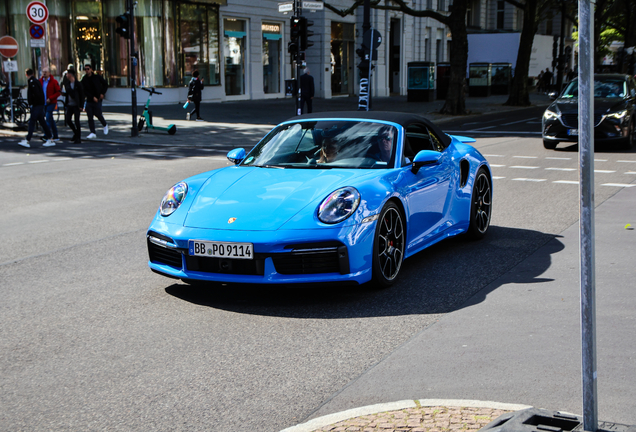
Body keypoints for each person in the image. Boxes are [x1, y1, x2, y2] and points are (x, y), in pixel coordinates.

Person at [18, 69, 54, 148]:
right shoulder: (35, 81)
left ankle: (27, 140)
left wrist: (32, 103)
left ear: (26, 74)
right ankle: (50, 138)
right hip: (39, 105)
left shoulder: (32, 82)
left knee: (32, 122)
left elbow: (36, 94)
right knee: (42, 122)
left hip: (36, 105)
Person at [81, 64, 109, 139]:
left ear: (91, 69)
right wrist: (91, 97)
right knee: (90, 116)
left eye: (88, 69)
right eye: (85, 69)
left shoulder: (97, 77)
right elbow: (84, 90)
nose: (86, 71)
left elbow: (105, 84)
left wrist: (102, 93)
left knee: (98, 114)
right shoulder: (84, 79)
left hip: (98, 98)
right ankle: (92, 132)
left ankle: (105, 124)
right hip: (90, 100)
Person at [61, 69, 85, 144]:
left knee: (77, 121)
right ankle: (76, 133)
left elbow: (82, 95)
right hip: (69, 105)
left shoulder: (78, 84)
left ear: (70, 75)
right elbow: (68, 93)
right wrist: (63, 94)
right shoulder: (67, 83)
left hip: (76, 105)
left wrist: (81, 105)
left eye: (67, 74)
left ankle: (78, 138)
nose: (66, 75)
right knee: (68, 120)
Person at [39, 67, 62, 142]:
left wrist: (51, 98)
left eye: (46, 71)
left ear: (49, 73)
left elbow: (58, 92)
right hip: (43, 103)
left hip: (51, 102)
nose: (44, 73)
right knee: (50, 119)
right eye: (43, 71)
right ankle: (56, 136)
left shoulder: (54, 81)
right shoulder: (40, 81)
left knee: (48, 118)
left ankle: (47, 135)